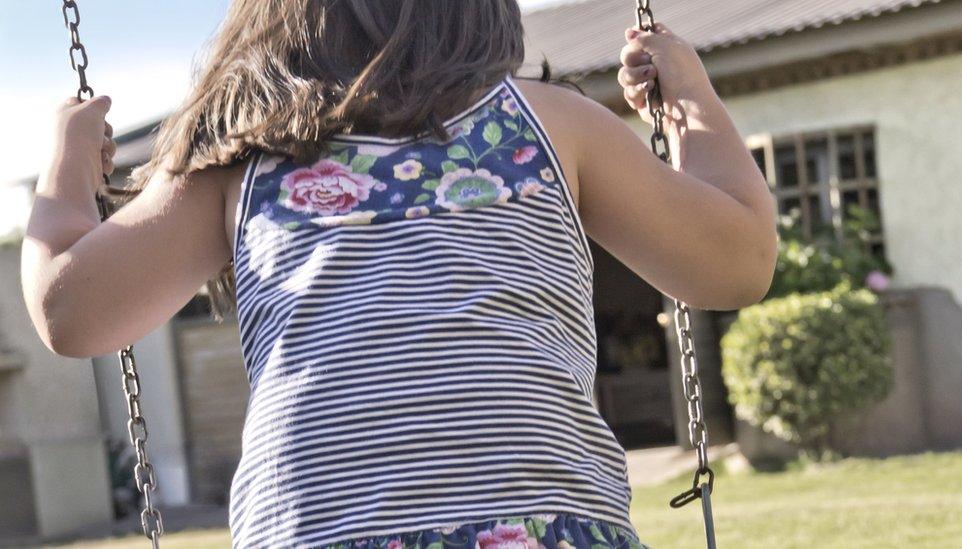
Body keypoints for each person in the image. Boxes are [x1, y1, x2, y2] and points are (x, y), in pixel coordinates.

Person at [21, 1, 778, 547]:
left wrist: (65, 165)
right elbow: (738, 259)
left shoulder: (242, 161)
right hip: (546, 532)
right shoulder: (549, 125)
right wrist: (690, 100)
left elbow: (69, 307)